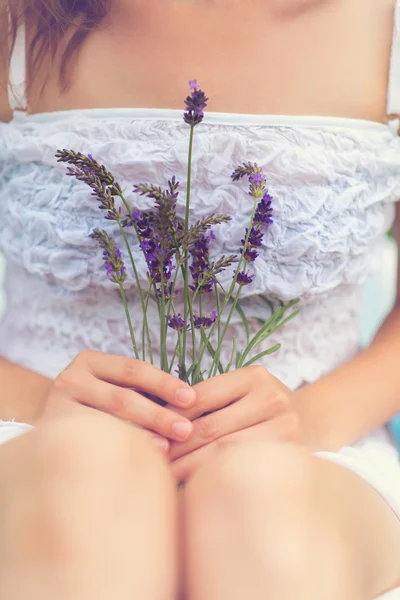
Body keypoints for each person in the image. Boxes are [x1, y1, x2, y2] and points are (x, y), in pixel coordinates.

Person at [0, 0, 400, 598]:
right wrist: (41, 398)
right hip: (30, 426)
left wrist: (312, 417)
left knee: (262, 503)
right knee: (85, 476)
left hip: (312, 452)